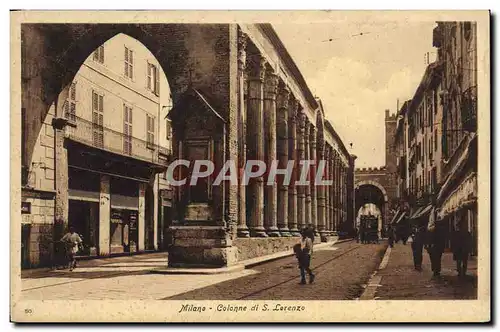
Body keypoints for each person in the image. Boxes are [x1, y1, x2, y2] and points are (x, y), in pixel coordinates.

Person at [425, 209, 446, 278]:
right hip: (431, 240)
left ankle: (436, 270)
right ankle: (435, 269)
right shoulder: (432, 212)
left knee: (438, 256)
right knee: (433, 256)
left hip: (438, 241)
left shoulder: (441, 212)